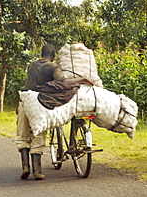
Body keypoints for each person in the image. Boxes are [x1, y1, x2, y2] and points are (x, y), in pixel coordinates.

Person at [16, 44, 94, 180]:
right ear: (53, 54)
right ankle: (37, 171)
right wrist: (83, 79)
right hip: (38, 103)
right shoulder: (53, 67)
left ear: (42, 53)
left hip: (24, 101)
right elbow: (62, 81)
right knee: (38, 134)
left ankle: (25, 167)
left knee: (23, 134)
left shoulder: (31, 65)